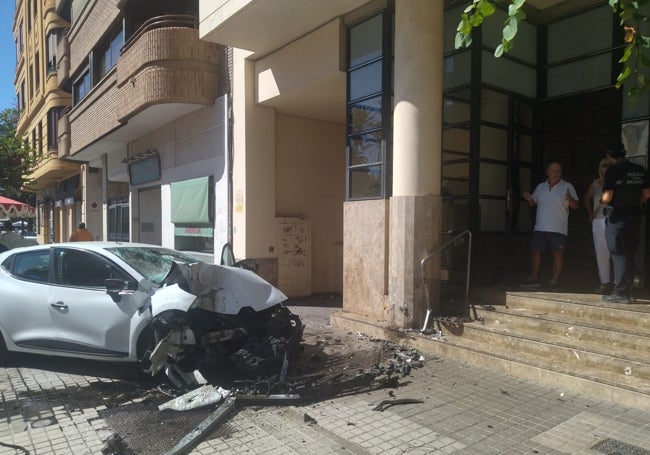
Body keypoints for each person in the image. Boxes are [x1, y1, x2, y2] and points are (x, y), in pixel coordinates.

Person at [600, 146, 650, 303]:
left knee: (618, 253)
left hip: (617, 217)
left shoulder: (613, 171)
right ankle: (630, 291)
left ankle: (620, 293)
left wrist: (602, 202)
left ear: (609, 156)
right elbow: (647, 194)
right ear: (625, 154)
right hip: (635, 217)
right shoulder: (640, 169)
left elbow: (607, 197)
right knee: (630, 253)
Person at [520, 162, 579, 288]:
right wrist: (528, 198)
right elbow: (532, 204)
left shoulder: (568, 186)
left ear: (561, 173)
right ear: (547, 172)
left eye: (558, 171)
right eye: (552, 171)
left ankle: (554, 280)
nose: (555, 174)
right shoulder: (541, 187)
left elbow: (576, 206)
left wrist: (570, 199)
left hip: (558, 228)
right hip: (540, 227)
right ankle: (534, 277)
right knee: (536, 251)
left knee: (557, 253)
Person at [583, 158, 612, 294]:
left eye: (608, 165)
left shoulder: (616, 181)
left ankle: (619, 284)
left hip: (614, 220)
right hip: (599, 220)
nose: (605, 168)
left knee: (617, 253)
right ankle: (604, 282)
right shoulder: (595, 184)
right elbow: (586, 198)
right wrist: (590, 214)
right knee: (601, 253)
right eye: (603, 165)